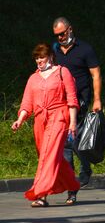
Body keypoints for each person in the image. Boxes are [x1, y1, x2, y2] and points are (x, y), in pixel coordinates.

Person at [11, 43, 80, 207]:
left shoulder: (63, 72)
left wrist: (73, 123)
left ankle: (40, 193)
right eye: (36, 58)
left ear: (50, 56)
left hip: (59, 117)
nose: (39, 61)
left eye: (41, 57)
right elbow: (27, 103)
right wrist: (20, 120)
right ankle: (72, 186)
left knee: (48, 156)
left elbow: (72, 100)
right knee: (52, 157)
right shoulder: (33, 78)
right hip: (40, 120)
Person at [52, 17, 102, 204]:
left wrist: (97, 99)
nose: (60, 38)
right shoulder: (55, 50)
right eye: (56, 35)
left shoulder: (85, 49)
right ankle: (75, 179)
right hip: (61, 100)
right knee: (68, 140)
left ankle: (82, 172)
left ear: (70, 29)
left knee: (73, 137)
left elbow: (95, 74)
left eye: (62, 33)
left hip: (80, 98)